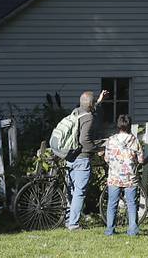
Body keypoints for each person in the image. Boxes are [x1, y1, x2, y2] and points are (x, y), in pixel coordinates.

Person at [66, 89, 108, 230]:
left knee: (71, 190)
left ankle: (68, 219)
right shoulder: (89, 117)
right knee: (79, 192)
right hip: (81, 158)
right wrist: (97, 149)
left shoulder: (75, 112)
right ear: (91, 105)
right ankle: (73, 224)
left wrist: (99, 101)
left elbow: (88, 107)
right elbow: (85, 140)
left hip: (70, 157)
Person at [103, 114, 144, 236]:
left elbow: (106, 158)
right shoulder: (134, 141)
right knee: (131, 204)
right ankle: (132, 230)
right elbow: (141, 160)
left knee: (112, 203)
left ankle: (110, 230)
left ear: (118, 125)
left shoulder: (111, 140)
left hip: (114, 177)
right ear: (129, 125)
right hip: (130, 178)